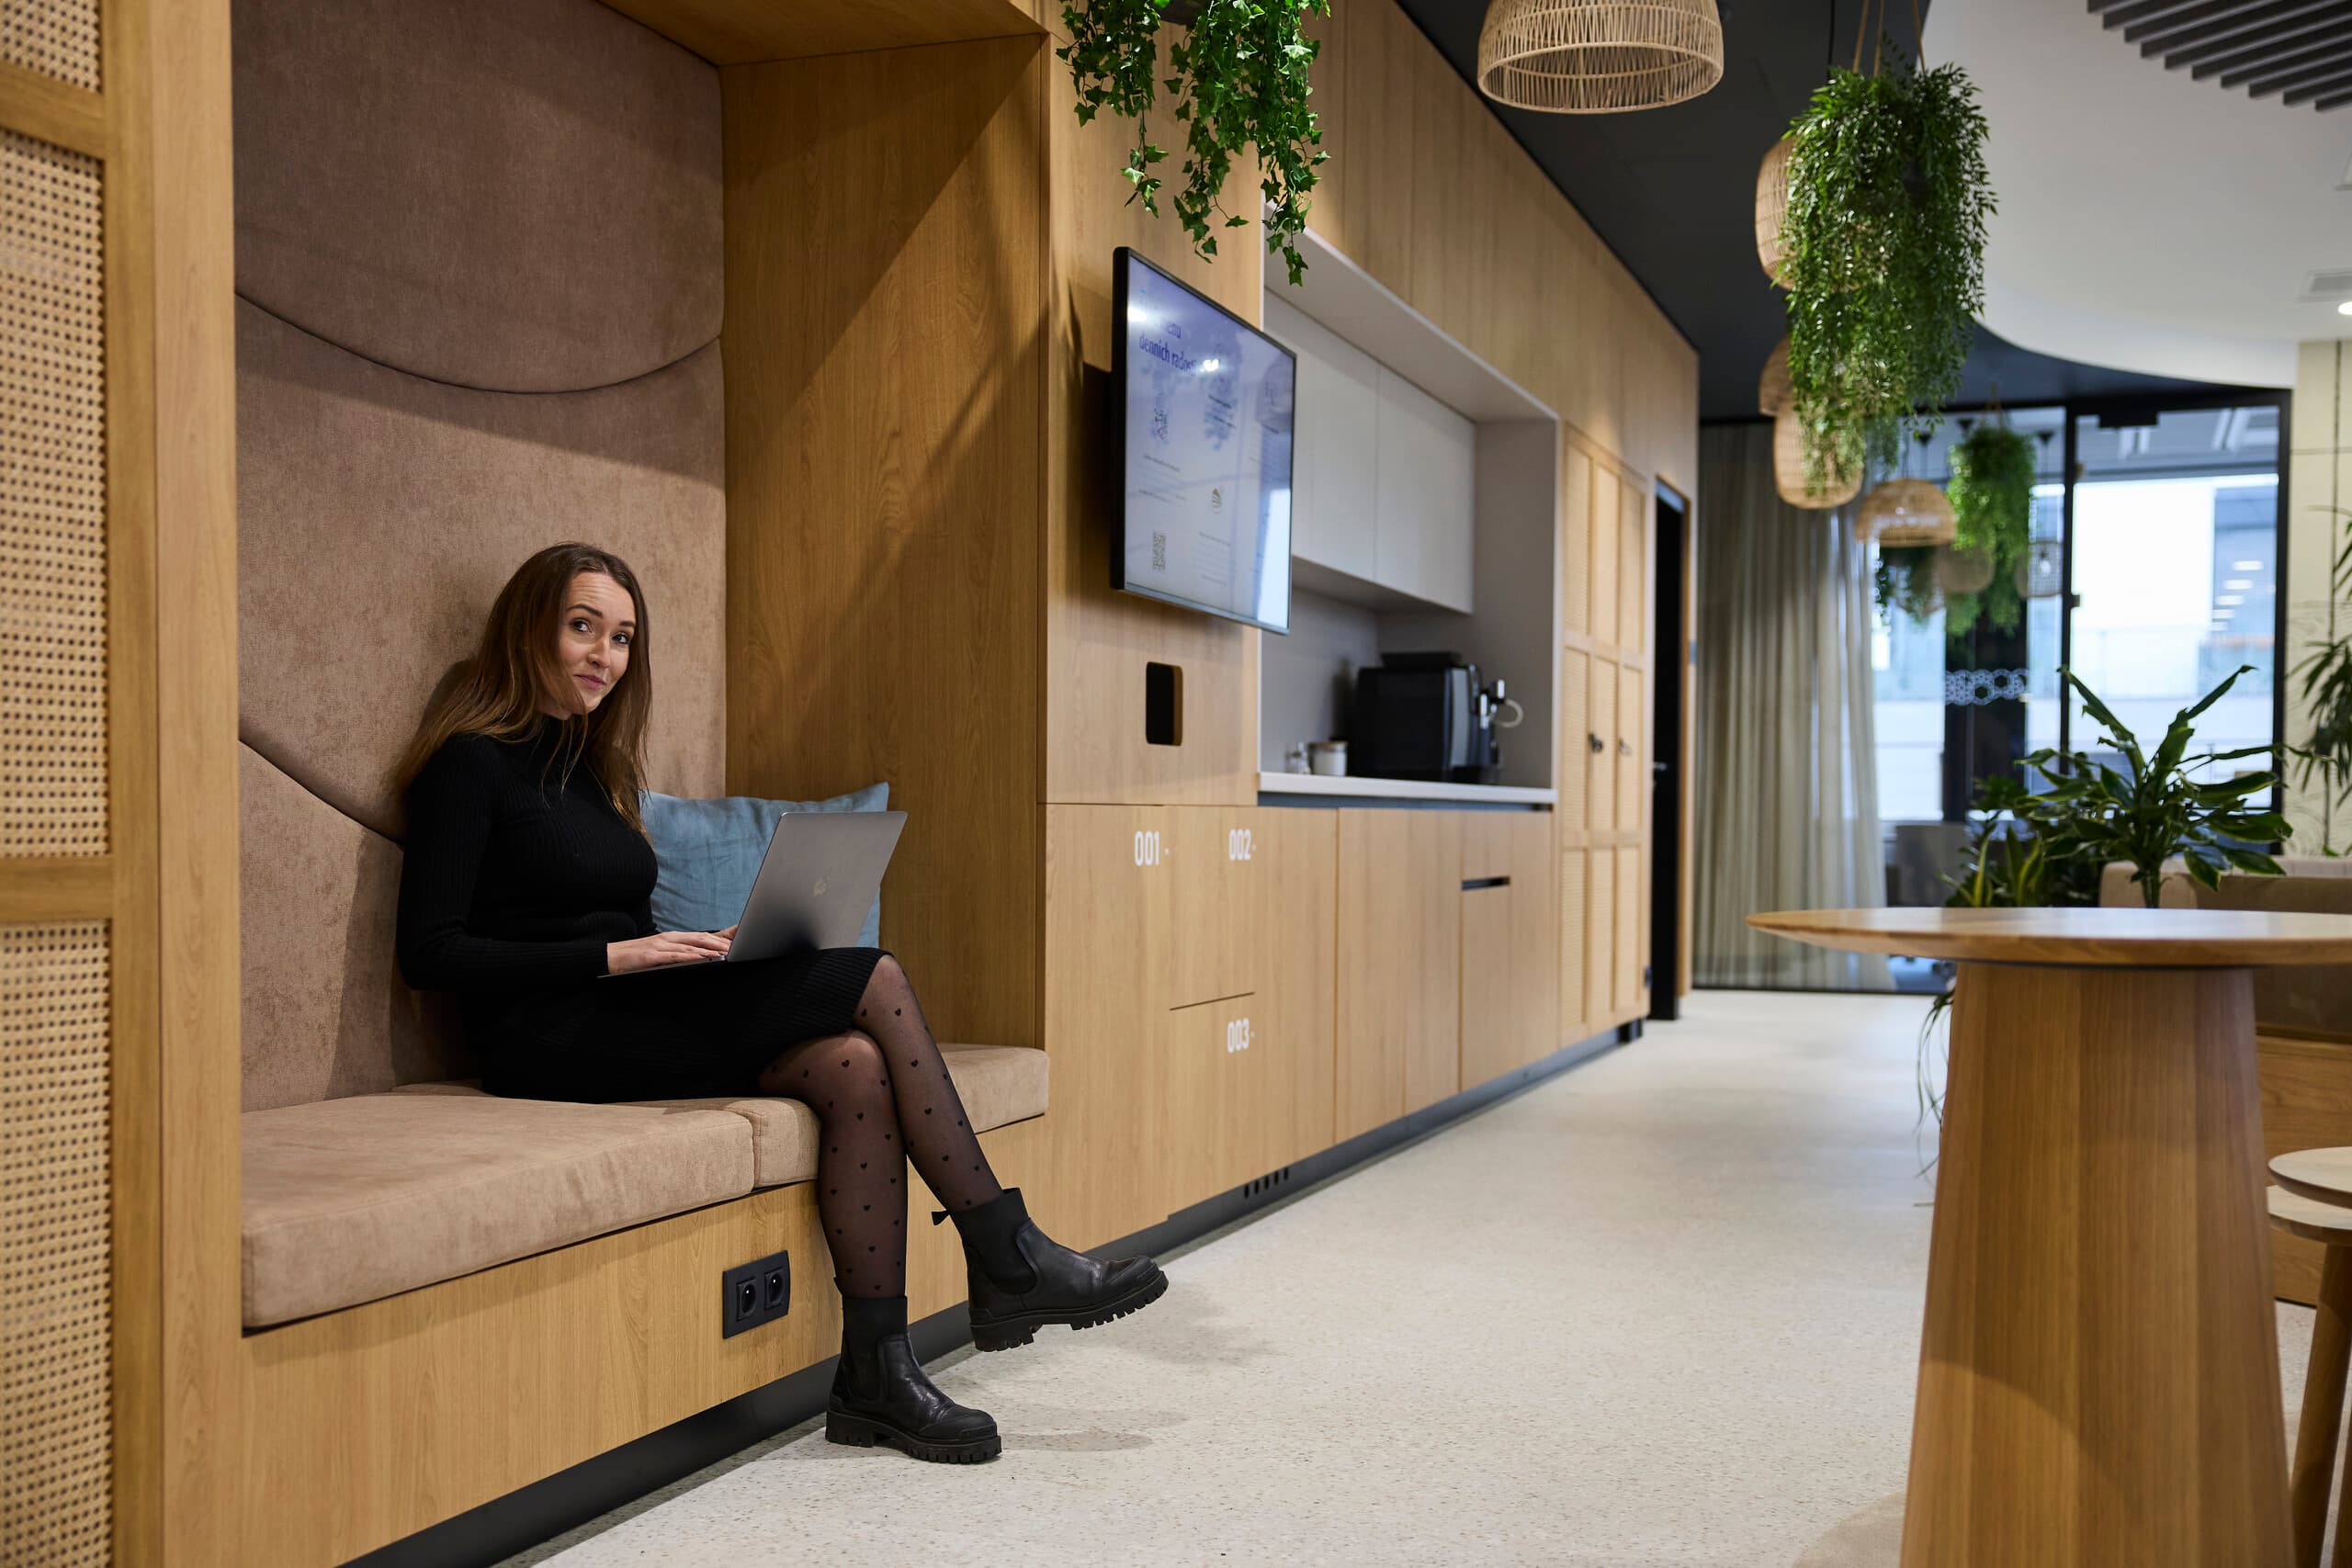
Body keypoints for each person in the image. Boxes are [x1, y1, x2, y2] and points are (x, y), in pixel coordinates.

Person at [392, 542, 1166, 1464]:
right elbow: (429, 953)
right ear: (528, 629)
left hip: (623, 1010)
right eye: (583, 627)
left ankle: (876, 1375)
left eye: (623, 637)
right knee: (872, 974)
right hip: (543, 1036)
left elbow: (614, 917)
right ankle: (1008, 1252)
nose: (605, 656)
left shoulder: (592, 769)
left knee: (855, 1064)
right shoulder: (469, 765)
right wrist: (614, 955)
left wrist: (704, 949)